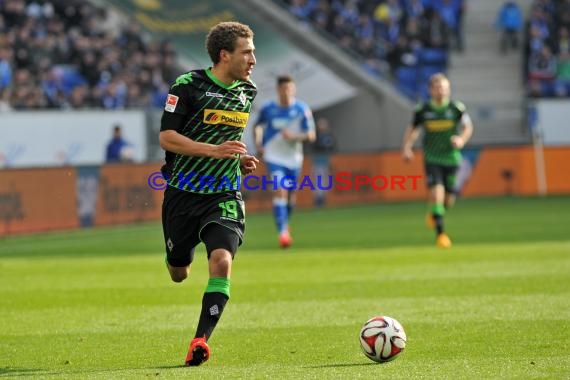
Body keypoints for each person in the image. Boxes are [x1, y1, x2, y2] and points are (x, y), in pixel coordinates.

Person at [158, 21, 258, 367]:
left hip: (224, 193)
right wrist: (213, 151)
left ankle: (200, 340)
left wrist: (238, 159)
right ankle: (175, 255)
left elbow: (225, 139)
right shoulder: (188, 86)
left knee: (222, 261)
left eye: (254, 53)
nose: (253, 60)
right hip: (183, 195)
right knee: (178, 272)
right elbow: (167, 138)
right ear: (224, 54)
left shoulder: (248, 92)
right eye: (247, 52)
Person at [401, 73, 473, 248]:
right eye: (438, 87)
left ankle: (435, 214)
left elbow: (468, 127)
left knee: (449, 200)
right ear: (431, 90)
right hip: (432, 158)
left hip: (452, 159)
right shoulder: (423, 110)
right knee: (436, 194)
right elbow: (413, 129)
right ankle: (441, 235)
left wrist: (461, 140)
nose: (442, 91)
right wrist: (406, 147)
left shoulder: (457, 108)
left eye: (445, 87)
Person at [253, 74, 316, 248]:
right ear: (278, 89)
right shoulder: (268, 108)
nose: (286, 91)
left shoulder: (301, 109)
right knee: (280, 189)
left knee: (290, 196)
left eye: (289, 88)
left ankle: (284, 223)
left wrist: (294, 136)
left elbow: (311, 135)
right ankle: (283, 233)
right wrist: (258, 143)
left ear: (294, 89)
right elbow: (257, 126)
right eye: (283, 88)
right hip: (273, 156)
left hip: (294, 158)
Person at [311, 117, 336, 207]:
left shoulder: (329, 136)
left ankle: (323, 199)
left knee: (325, 181)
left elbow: (333, 147)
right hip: (317, 161)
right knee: (318, 181)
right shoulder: (316, 136)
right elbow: (315, 147)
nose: (322, 127)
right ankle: (318, 199)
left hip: (326, 161)